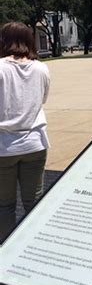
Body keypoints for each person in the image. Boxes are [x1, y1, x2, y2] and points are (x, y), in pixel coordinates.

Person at [0, 22, 50, 241]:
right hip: (35, 143)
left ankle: (6, 251)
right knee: (34, 202)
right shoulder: (41, 68)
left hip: (4, 146)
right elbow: (42, 99)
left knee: (5, 206)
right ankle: (32, 248)